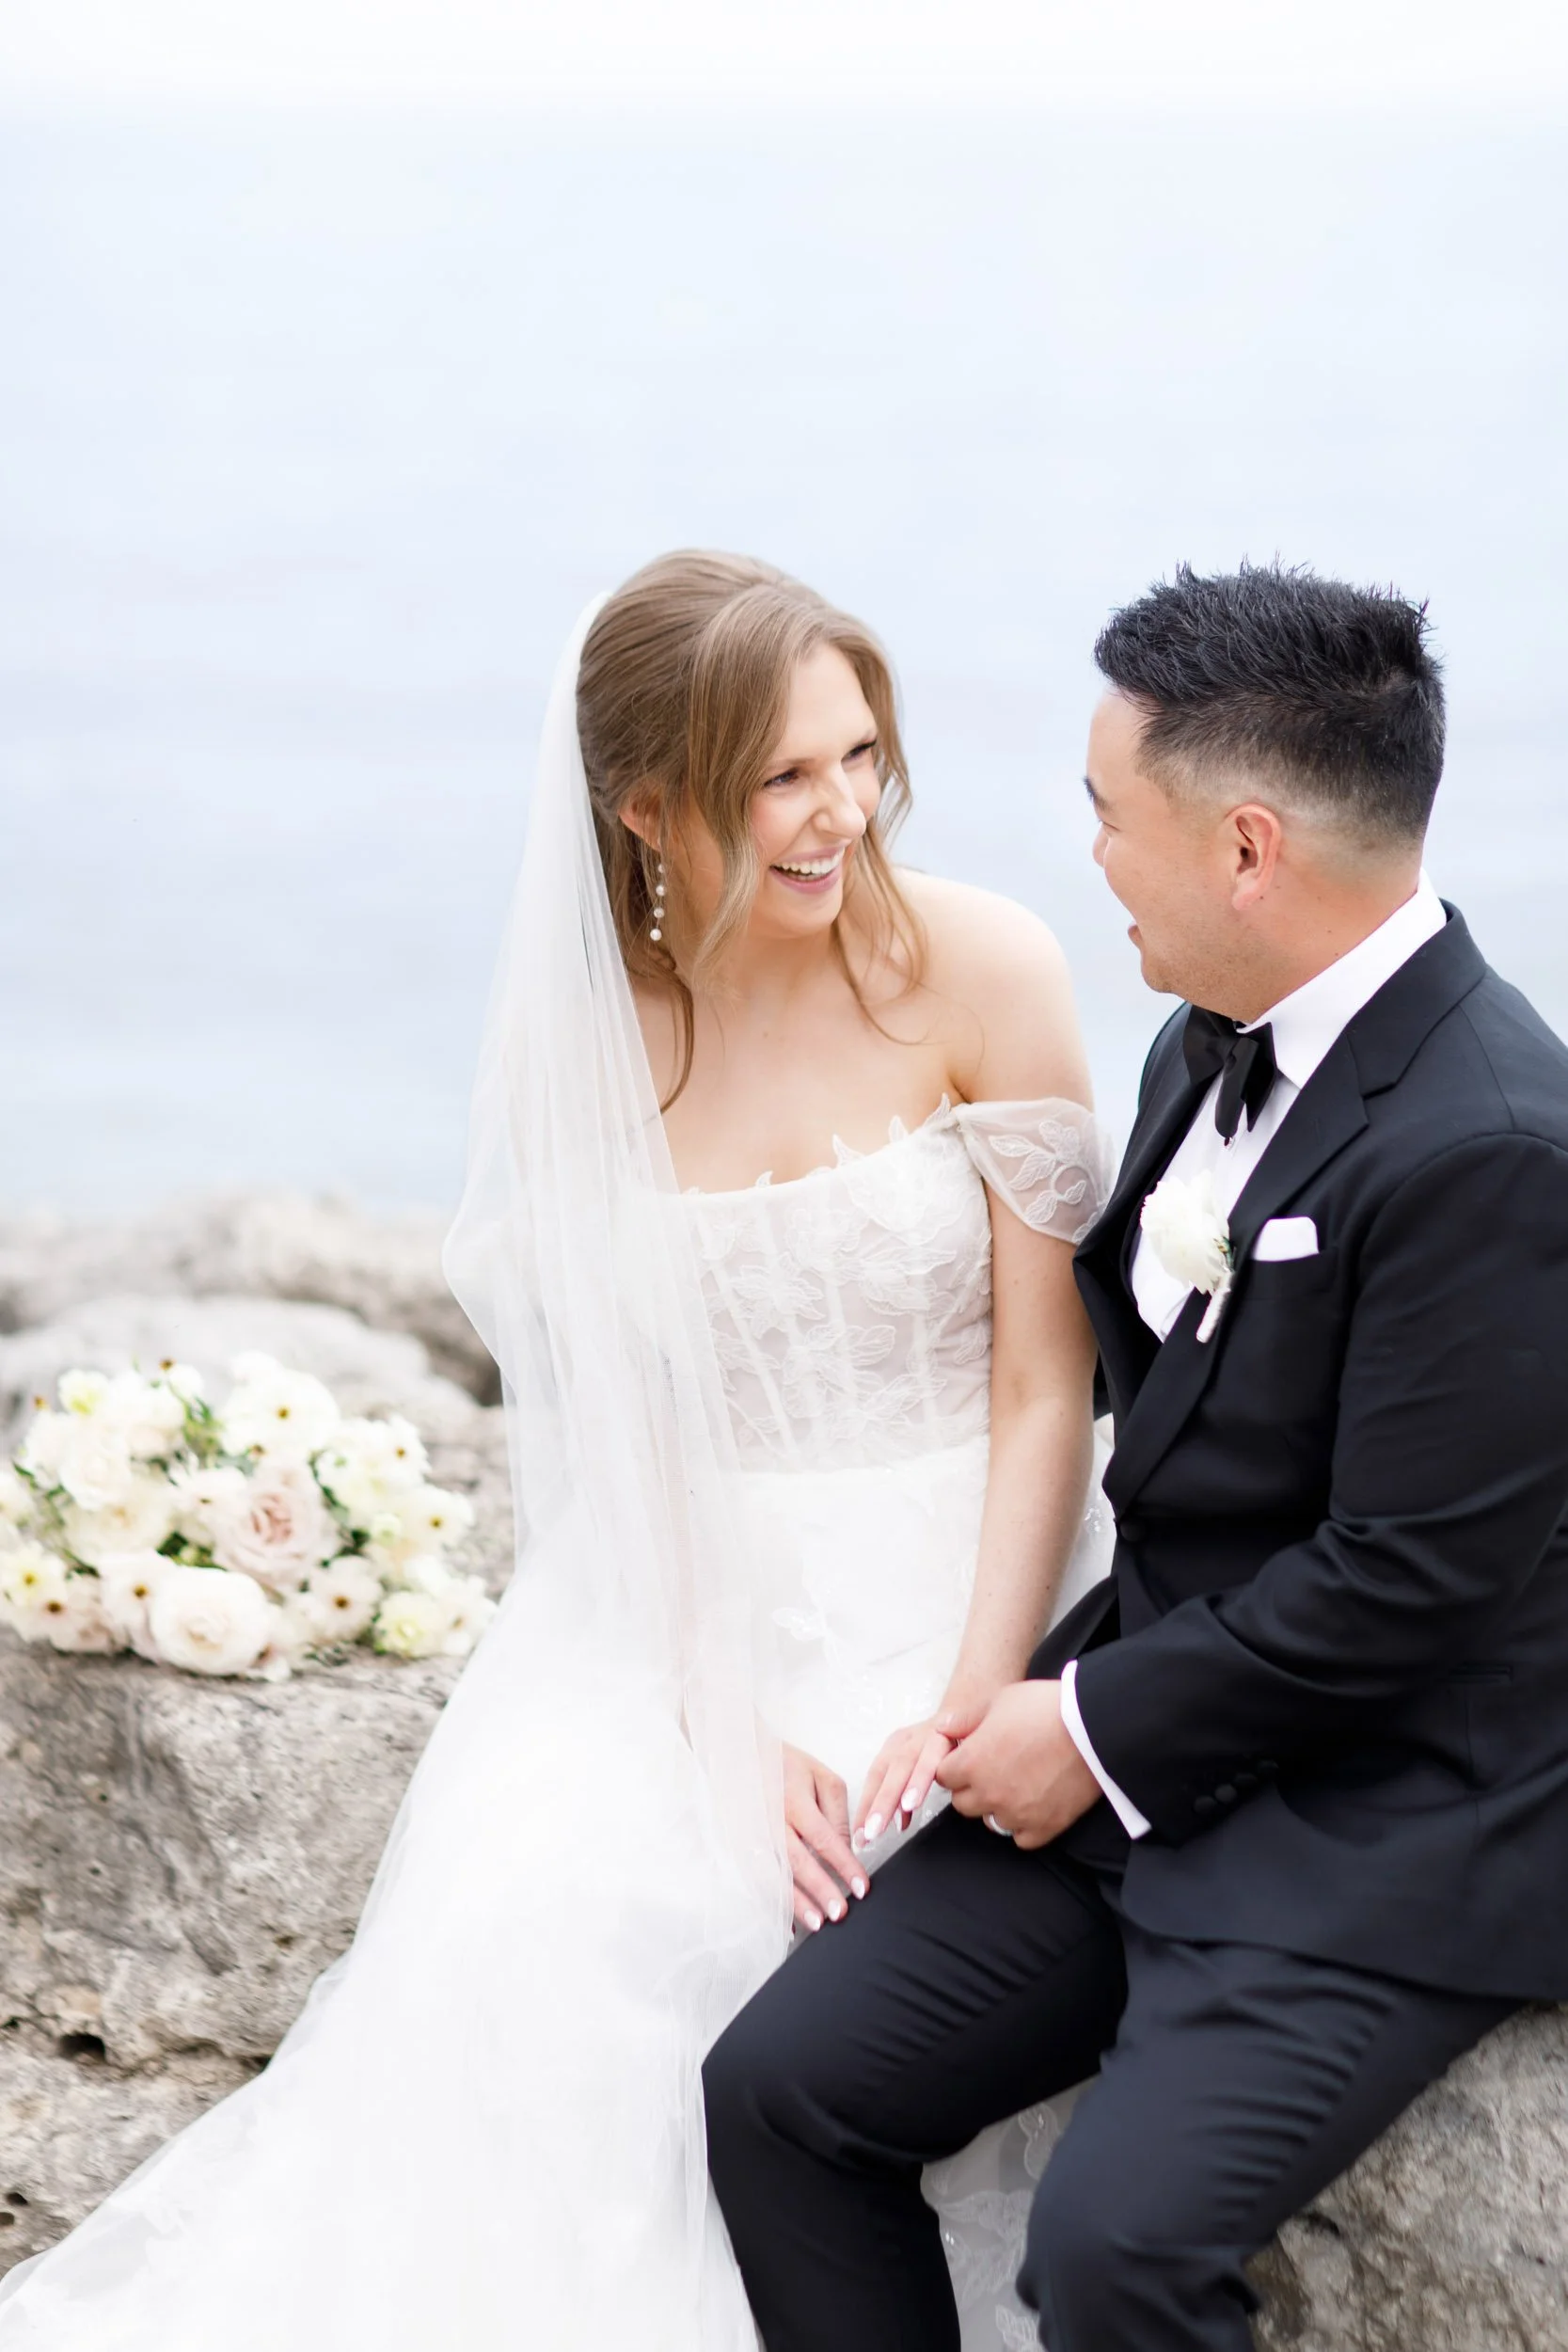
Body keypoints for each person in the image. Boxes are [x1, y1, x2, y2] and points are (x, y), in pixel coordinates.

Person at [0, 552, 1113, 2350]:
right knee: (563, 1937)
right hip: (689, 1598)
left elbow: (1042, 1387)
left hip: (987, 1559)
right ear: (649, 806)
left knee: (870, 1950)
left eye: (858, 755)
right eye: (784, 778)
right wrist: (722, 1716)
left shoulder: (984, 966)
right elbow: (632, 1435)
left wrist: (979, 1693)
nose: (841, 814)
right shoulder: (592, 1046)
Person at [704, 561, 1568, 2352]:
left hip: (1371, 1815)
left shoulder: (1494, 1147)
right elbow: (1121, 1379)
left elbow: (1410, 1579)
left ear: (1245, 847)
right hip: (1137, 1766)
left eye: (1107, 814)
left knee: (1110, 2260)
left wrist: (1084, 1726)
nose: (1087, 856)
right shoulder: (1207, 1033)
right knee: (781, 2091)